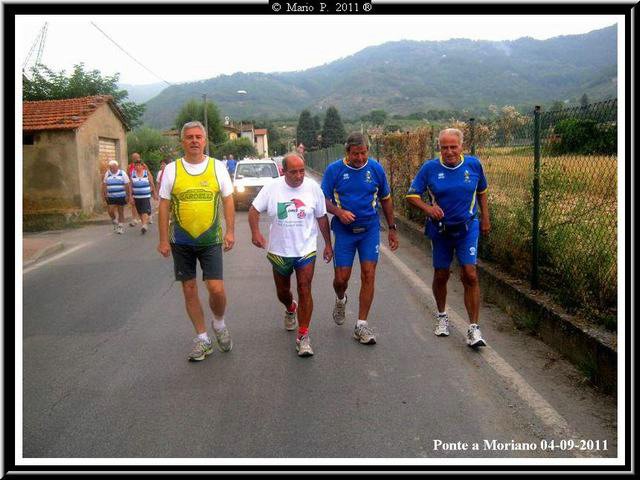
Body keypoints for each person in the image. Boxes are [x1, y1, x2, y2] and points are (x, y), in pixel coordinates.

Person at [157, 121, 236, 362]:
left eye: (198, 137)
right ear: (182, 141)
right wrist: (163, 240)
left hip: (210, 239)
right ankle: (202, 339)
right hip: (181, 241)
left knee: (216, 288)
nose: (194, 140)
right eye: (189, 137)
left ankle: (219, 323)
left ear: (204, 140)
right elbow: (163, 205)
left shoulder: (217, 167)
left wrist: (230, 231)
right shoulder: (172, 169)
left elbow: (228, 200)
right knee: (189, 289)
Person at [405, 128, 491, 348]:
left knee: (470, 274)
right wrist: (428, 209)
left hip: (467, 228)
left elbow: (482, 191)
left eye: (453, 147)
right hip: (441, 231)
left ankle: (473, 328)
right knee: (441, 274)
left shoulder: (473, 165)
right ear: (439, 148)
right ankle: (442, 316)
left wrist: (485, 219)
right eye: (444, 148)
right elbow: (412, 195)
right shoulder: (430, 168)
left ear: (462, 146)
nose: (449, 151)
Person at [248, 153, 333, 357]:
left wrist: (328, 245)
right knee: (283, 292)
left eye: (302, 171)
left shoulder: (313, 188)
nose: (299, 175)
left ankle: (303, 336)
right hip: (279, 250)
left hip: (305, 249)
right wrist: (255, 233)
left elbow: (321, 217)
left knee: (304, 288)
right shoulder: (272, 187)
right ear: (283, 171)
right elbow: (253, 210)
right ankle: (290, 307)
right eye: (293, 172)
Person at [320, 132, 399, 345]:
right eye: (356, 154)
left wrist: (392, 228)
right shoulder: (334, 170)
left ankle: (361, 325)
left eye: (364, 153)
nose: (360, 158)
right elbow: (322, 199)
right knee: (341, 280)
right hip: (344, 233)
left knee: (368, 274)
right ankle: (341, 298)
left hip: (369, 231)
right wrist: (339, 212)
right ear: (347, 152)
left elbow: (386, 199)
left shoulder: (375, 169)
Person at [102, 160, 131, 234]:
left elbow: (127, 185)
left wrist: (128, 195)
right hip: (111, 196)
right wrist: (105, 194)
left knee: (120, 211)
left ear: (117, 167)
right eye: (111, 167)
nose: (112, 169)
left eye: (113, 167)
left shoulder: (122, 173)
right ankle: (114, 220)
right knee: (110, 210)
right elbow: (104, 184)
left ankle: (120, 227)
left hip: (121, 195)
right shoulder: (107, 173)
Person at [130, 158, 158, 234]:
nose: (138, 167)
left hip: (146, 196)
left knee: (144, 210)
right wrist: (130, 196)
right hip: (136, 196)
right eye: (136, 165)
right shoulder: (132, 174)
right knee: (139, 211)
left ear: (142, 166)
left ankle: (144, 225)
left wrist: (155, 193)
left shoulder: (147, 173)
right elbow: (130, 185)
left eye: (139, 165)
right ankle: (144, 224)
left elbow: (152, 183)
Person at [127, 153, 148, 227]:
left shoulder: (143, 165)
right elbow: (128, 176)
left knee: (143, 206)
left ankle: (145, 218)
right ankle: (134, 219)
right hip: (133, 187)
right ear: (132, 158)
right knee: (133, 204)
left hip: (143, 189)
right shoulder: (129, 166)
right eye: (134, 158)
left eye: (137, 157)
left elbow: (148, 174)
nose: (136, 159)